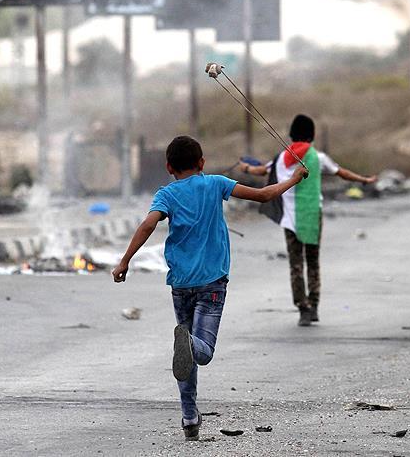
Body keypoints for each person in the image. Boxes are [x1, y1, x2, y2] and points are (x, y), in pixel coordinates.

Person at [111, 136, 307, 441]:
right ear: (201, 163)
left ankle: (189, 417)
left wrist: (125, 261)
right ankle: (189, 346)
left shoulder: (166, 194)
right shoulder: (216, 183)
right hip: (212, 282)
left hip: (181, 284)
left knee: (186, 354)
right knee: (201, 351)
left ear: (168, 167)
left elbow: (148, 225)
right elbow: (265, 195)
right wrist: (295, 178)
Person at [239, 114, 377, 327]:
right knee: (312, 262)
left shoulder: (280, 158)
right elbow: (342, 173)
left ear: (291, 134)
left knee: (296, 265)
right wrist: (365, 180)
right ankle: (313, 307)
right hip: (312, 216)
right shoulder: (318, 157)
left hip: (289, 218)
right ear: (311, 135)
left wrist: (246, 168)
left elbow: (260, 170)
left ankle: (302, 308)